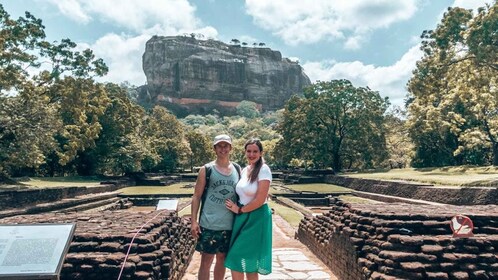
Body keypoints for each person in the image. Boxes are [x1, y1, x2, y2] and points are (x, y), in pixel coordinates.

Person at [190, 134, 241, 280]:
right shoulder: (207, 169)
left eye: (226, 146)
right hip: (209, 223)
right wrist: (194, 221)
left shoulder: (237, 169)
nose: (223, 149)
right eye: (220, 146)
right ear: (215, 148)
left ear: (230, 148)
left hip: (230, 224)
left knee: (222, 260)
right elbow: (196, 196)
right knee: (206, 261)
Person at [224, 138, 272, 280]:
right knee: (248, 260)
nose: (251, 154)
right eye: (249, 151)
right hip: (243, 217)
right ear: (245, 152)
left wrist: (239, 210)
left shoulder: (264, 169)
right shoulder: (245, 169)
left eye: (255, 151)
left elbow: (260, 199)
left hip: (257, 217)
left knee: (236, 257)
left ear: (261, 153)